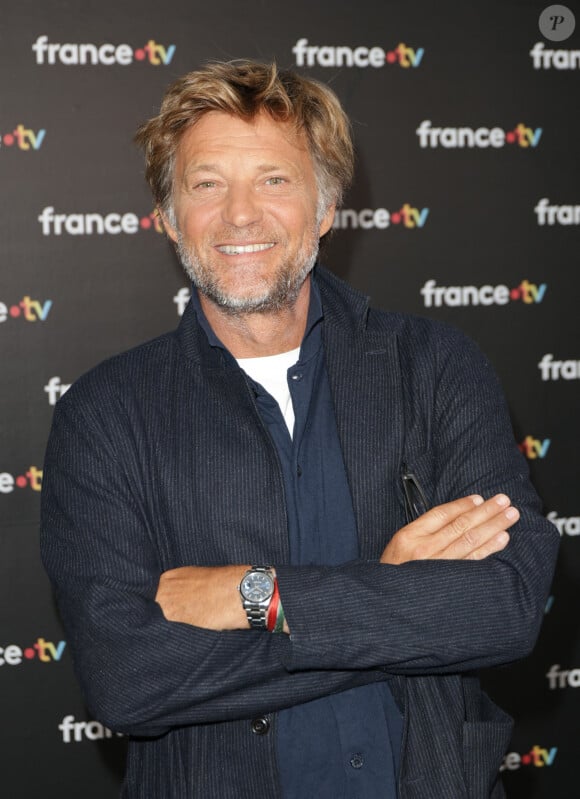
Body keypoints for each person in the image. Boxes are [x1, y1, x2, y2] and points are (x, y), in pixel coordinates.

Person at [40, 61, 559, 799]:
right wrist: (398, 598)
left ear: (325, 207)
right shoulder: (105, 414)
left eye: (274, 180)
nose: (241, 214)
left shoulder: (437, 367)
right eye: (207, 183)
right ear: (167, 215)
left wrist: (259, 595)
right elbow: (128, 679)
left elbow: (505, 606)